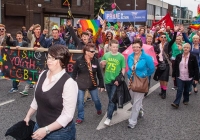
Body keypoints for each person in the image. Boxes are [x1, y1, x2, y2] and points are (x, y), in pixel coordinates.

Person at [24, 44, 78, 139]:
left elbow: (68, 115)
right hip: (39, 127)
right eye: (48, 57)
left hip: (60, 133)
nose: (49, 61)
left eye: (53, 58)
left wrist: (46, 130)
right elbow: (37, 99)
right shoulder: (43, 74)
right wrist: (28, 115)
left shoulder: (69, 83)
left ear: (62, 61)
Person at [72, 43, 104, 124]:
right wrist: (72, 84)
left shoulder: (95, 61)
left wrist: (101, 85)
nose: (94, 53)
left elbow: (99, 74)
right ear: (86, 52)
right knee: (80, 101)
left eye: (94, 51)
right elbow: (74, 74)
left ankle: (99, 108)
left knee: (96, 99)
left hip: (92, 84)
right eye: (92, 51)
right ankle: (80, 117)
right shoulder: (79, 61)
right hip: (81, 84)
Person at [127, 39, 155, 129]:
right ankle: (140, 109)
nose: (135, 49)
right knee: (132, 100)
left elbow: (151, 69)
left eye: (137, 47)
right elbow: (129, 68)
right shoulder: (130, 56)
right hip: (131, 80)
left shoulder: (147, 57)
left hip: (141, 82)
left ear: (141, 47)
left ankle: (132, 121)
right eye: (134, 47)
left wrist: (144, 74)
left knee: (136, 102)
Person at [100, 39, 126, 126]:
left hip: (116, 81)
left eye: (116, 47)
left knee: (111, 100)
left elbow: (123, 69)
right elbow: (103, 64)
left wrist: (119, 79)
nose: (115, 48)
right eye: (113, 47)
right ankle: (114, 109)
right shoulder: (106, 55)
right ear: (110, 47)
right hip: (107, 80)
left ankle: (108, 117)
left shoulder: (121, 57)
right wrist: (102, 64)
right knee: (111, 98)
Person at [153, 26, 179, 99]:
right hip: (160, 64)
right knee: (161, 79)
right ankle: (161, 90)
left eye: (165, 37)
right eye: (162, 37)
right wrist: (156, 56)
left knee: (165, 79)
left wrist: (175, 32)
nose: (163, 38)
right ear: (160, 38)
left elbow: (173, 39)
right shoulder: (157, 45)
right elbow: (155, 53)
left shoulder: (168, 44)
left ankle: (164, 92)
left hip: (166, 63)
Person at [171, 43, 199, 108]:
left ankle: (186, 100)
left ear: (189, 49)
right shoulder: (178, 56)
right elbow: (175, 67)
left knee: (186, 89)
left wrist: (196, 78)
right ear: (183, 48)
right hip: (180, 76)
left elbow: (196, 68)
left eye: (187, 47)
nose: (186, 49)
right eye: (184, 47)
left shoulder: (193, 57)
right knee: (179, 89)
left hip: (189, 77)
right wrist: (173, 75)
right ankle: (176, 103)